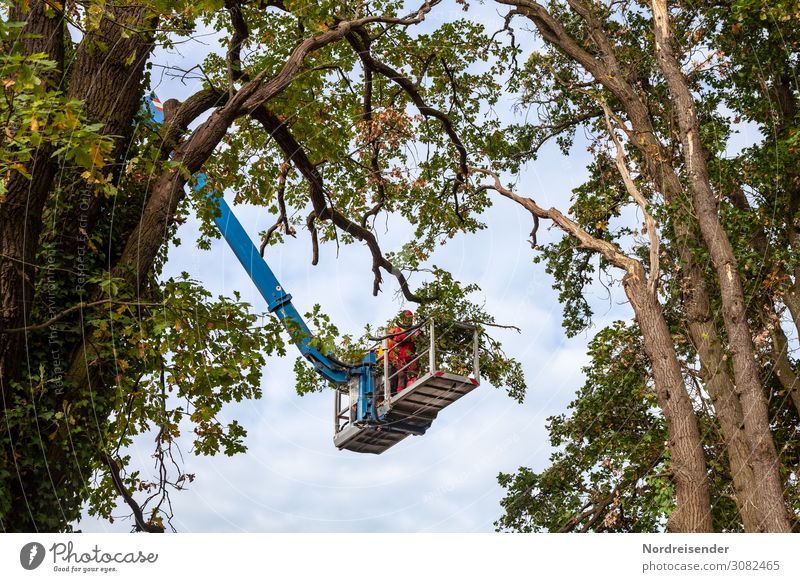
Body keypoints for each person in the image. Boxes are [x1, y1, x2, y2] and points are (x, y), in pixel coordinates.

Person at [384, 310, 417, 394]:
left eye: (409, 318)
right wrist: (405, 335)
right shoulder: (399, 328)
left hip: (411, 355)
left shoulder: (415, 328)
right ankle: (400, 391)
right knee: (401, 375)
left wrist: (406, 336)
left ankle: (411, 387)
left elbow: (414, 337)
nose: (408, 320)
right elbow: (397, 338)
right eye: (406, 318)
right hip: (401, 356)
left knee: (412, 373)